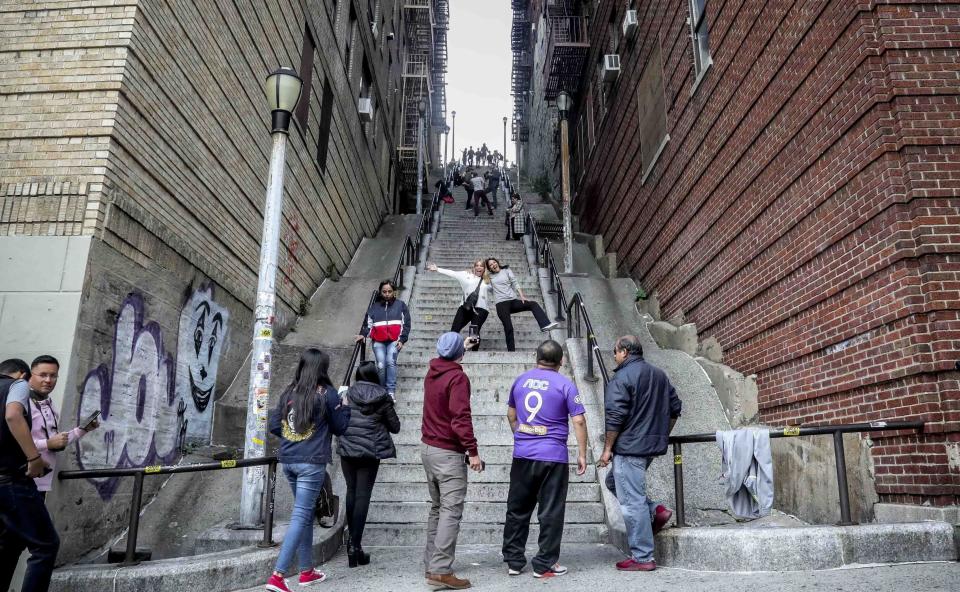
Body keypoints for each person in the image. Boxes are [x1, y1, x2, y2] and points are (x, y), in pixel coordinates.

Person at [266, 348, 350, 592]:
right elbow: (341, 427)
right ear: (322, 368)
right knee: (301, 516)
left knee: (305, 516)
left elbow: (274, 425)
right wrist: (344, 406)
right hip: (311, 464)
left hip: (289, 460)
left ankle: (306, 571)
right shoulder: (328, 394)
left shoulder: (289, 392)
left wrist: (296, 438)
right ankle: (277, 576)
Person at [502, 340, 587, 578]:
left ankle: (514, 561)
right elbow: (579, 420)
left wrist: (521, 435)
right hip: (553, 457)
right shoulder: (566, 384)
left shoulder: (520, 380)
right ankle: (544, 563)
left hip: (523, 455)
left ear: (536, 357)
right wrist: (582, 453)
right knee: (550, 510)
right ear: (561, 361)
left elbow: (511, 415)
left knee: (517, 509)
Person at [597, 335, 681, 572]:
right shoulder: (659, 375)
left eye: (615, 352)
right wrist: (662, 434)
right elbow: (676, 408)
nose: (614, 356)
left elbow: (615, 417)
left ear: (624, 351)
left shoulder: (621, 377)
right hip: (650, 447)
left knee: (631, 501)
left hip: (630, 448)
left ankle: (643, 557)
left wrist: (607, 450)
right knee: (614, 481)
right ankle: (656, 510)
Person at [421, 333, 484, 590]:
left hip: (428, 449)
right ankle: (440, 569)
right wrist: (473, 451)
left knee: (437, 508)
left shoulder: (432, 372)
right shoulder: (457, 377)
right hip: (447, 452)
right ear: (457, 354)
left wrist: (461, 348)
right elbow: (460, 418)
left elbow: (447, 356)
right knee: (450, 510)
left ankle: (431, 563)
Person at [0, 358, 59, 592]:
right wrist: (34, 458)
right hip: (12, 481)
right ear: (24, 374)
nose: (48, 380)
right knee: (46, 546)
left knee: (9, 544)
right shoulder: (18, 385)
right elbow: (13, 415)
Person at [337, 361, 400, 568]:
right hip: (370, 451)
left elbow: (339, 419)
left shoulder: (347, 394)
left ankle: (350, 546)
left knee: (351, 491)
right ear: (375, 375)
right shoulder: (383, 397)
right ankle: (355, 546)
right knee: (363, 495)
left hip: (348, 449)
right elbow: (395, 427)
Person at [28, 355, 99, 498]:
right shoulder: (22, 403)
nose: (48, 380)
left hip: (41, 483)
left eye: (53, 376)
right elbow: (12, 443)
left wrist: (83, 429)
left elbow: (57, 442)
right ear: (30, 376)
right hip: (20, 481)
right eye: (43, 375)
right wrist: (47, 443)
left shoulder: (50, 403)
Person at [485, 258, 558, 351]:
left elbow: (515, 282)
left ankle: (545, 325)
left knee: (533, 304)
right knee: (509, 328)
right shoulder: (489, 277)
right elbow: (488, 288)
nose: (493, 265)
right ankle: (511, 352)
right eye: (490, 265)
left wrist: (522, 296)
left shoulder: (506, 270)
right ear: (490, 268)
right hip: (501, 304)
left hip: (512, 301)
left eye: (494, 262)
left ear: (497, 263)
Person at [356, 280, 411, 399]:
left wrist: (402, 340)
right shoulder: (374, 307)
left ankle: (390, 391)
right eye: (384, 291)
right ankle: (381, 391)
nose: (387, 294)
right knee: (381, 364)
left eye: (389, 291)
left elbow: (406, 324)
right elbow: (368, 324)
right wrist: (363, 334)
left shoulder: (401, 305)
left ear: (394, 292)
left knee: (390, 362)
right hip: (378, 341)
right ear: (380, 292)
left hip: (394, 341)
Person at [425, 260, 490, 351]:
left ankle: (474, 354)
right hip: (466, 306)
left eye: (481, 266)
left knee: (474, 331)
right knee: (454, 329)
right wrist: (437, 269)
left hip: (481, 309)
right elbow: (453, 273)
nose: (479, 267)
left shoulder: (487, 280)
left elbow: (500, 285)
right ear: (474, 267)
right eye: (477, 265)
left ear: (484, 268)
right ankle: (450, 351)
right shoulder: (466, 274)